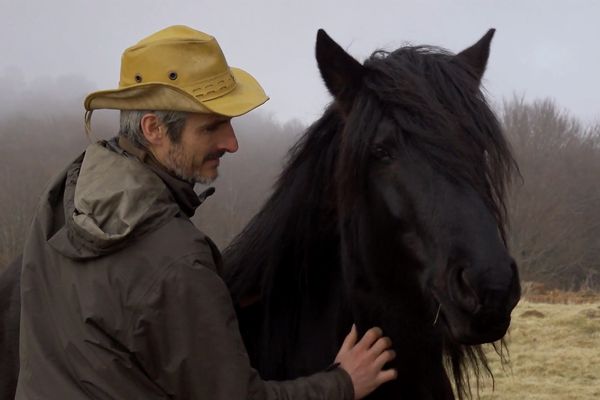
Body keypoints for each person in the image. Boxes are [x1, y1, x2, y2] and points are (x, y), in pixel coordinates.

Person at [15, 25, 397, 399]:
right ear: (154, 129)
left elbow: (115, 311)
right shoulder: (176, 260)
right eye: (212, 127)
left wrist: (211, 299)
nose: (231, 143)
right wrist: (344, 382)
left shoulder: (68, 191)